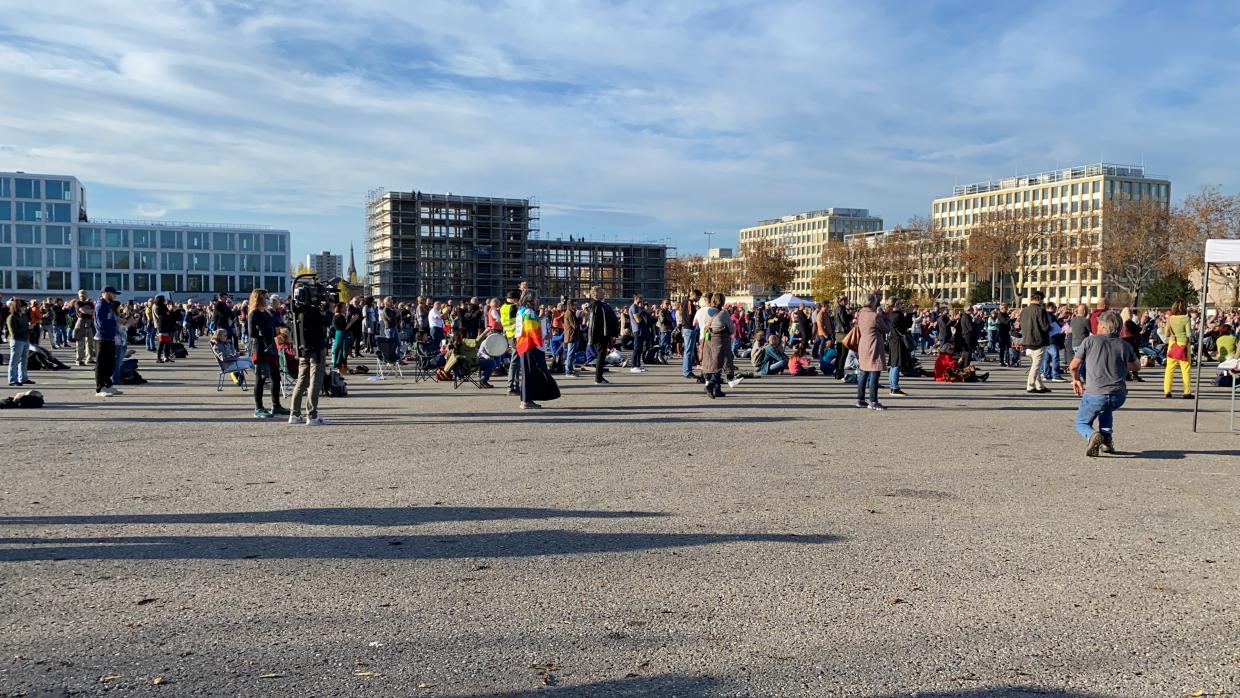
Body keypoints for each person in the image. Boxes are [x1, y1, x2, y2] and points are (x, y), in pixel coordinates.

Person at [1070, 310, 1140, 457]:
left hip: (1095, 393)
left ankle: (1092, 435)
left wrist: (1076, 380)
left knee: (1081, 423)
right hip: (1118, 395)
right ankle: (1107, 440)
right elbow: (1137, 366)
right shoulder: (1125, 345)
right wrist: (1121, 365)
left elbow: (1073, 366)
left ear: (1101, 326)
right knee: (1106, 409)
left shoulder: (1090, 341)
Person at [288, 282, 328, 426]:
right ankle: (312, 414)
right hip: (316, 350)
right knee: (315, 380)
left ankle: (295, 413)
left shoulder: (296, 310)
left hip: (303, 350)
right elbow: (327, 321)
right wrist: (328, 307)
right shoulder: (312, 312)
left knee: (302, 380)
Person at [514, 289, 559, 409]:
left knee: (527, 373)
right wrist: (544, 337)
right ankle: (527, 400)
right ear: (531, 299)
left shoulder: (521, 311)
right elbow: (532, 331)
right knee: (531, 373)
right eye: (536, 297)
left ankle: (526, 399)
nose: (537, 300)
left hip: (522, 345)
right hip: (531, 345)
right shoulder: (529, 312)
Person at [247, 288, 287, 419]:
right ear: (259, 298)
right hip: (260, 348)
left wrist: (275, 331)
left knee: (276, 376)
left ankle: (276, 405)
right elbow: (252, 333)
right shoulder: (254, 313)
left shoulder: (266, 312)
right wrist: (266, 333)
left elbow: (271, 326)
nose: (267, 299)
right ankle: (258, 407)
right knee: (261, 378)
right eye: (264, 297)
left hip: (270, 346)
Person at [854, 292, 891, 411]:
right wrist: (883, 316)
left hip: (863, 344)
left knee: (863, 372)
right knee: (875, 372)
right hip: (873, 345)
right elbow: (886, 329)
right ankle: (873, 401)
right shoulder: (874, 316)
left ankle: (860, 399)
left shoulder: (860, 313)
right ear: (873, 302)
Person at [700, 293, 733, 398]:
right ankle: (712, 384)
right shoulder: (724, 313)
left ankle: (717, 389)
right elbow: (732, 329)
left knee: (711, 363)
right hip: (720, 339)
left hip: (707, 338)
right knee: (720, 363)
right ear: (722, 301)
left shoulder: (703, 311)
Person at [93, 286, 123, 397]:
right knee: (101, 364)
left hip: (109, 337)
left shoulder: (108, 305)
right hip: (102, 338)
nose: (115, 296)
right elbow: (101, 323)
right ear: (105, 293)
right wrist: (114, 324)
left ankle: (108, 385)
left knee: (110, 364)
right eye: (113, 293)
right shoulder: (101, 305)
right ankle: (100, 388)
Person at [1020, 291, 1051, 394]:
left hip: (1027, 339)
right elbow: (1045, 327)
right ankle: (1030, 385)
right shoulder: (1040, 310)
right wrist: (1051, 327)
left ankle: (1039, 386)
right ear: (1039, 299)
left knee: (1035, 363)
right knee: (1036, 365)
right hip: (1039, 340)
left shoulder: (1024, 310)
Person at [587, 286, 619, 384]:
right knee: (601, 355)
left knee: (602, 355)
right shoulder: (596, 305)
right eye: (601, 292)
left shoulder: (602, 304)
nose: (604, 293)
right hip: (600, 334)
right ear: (595, 294)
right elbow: (595, 323)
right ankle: (598, 378)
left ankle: (600, 377)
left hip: (604, 334)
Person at [1163, 299, 1193, 399]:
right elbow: (1189, 334)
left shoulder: (1170, 319)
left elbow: (1166, 334)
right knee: (1185, 369)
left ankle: (1167, 391)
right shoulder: (1186, 318)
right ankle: (1186, 392)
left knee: (1169, 369)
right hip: (1183, 345)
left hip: (1173, 344)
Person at [6, 298, 31, 387]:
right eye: (23, 307)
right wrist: (27, 328)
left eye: (25, 307)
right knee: (14, 361)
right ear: (17, 307)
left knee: (24, 360)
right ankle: (12, 380)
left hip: (25, 340)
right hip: (16, 341)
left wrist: (29, 329)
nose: (25, 308)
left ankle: (23, 378)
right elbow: (14, 332)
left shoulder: (24, 316)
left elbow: (25, 328)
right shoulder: (11, 318)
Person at [679, 289, 702, 379]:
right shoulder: (689, 302)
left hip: (686, 328)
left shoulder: (685, 302)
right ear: (694, 295)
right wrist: (696, 312)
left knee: (688, 351)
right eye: (698, 297)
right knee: (688, 351)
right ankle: (687, 371)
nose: (699, 299)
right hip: (689, 329)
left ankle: (687, 370)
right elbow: (690, 315)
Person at [831, 296, 851, 380]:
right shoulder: (841, 308)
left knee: (839, 354)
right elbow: (844, 320)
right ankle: (840, 372)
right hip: (843, 333)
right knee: (844, 354)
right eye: (846, 300)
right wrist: (851, 316)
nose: (847, 302)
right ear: (842, 301)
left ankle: (837, 371)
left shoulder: (836, 308)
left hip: (838, 332)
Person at [628, 293, 648, 373]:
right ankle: (633, 365)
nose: (641, 301)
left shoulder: (638, 307)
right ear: (636, 299)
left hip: (641, 329)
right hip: (637, 329)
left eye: (642, 299)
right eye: (640, 299)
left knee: (640, 348)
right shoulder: (633, 307)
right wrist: (642, 314)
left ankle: (638, 364)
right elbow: (638, 320)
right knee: (636, 348)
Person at [562, 299, 580, 378]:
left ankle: (571, 369)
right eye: (575, 305)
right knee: (570, 354)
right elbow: (574, 325)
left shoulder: (571, 312)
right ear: (571, 305)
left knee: (572, 354)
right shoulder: (569, 313)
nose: (576, 306)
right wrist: (578, 316)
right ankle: (568, 371)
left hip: (573, 335)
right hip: (571, 336)